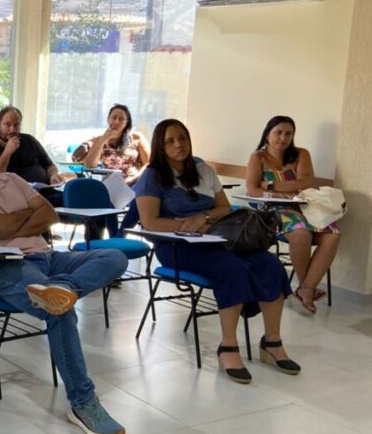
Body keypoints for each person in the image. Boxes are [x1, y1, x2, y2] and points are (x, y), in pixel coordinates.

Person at [0, 129, 129, 434]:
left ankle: (65, 288)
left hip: (48, 258)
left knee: (114, 257)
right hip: (0, 268)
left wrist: (10, 226)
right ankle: (83, 402)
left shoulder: (12, 180)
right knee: (59, 311)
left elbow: (49, 215)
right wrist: (26, 217)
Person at [136, 119, 298, 383]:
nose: (178, 145)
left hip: (216, 238)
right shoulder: (152, 176)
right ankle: (228, 347)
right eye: (170, 141)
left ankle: (272, 342)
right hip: (176, 246)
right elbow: (150, 223)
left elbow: (224, 207)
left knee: (270, 264)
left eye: (182, 138)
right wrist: (189, 227)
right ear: (160, 146)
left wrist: (203, 219)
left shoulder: (203, 170)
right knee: (231, 268)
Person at [245, 115, 340, 314]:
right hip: (274, 210)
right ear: (268, 134)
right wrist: (279, 193)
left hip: (307, 207)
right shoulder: (258, 157)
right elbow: (252, 190)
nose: (283, 138)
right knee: (301, 234)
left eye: (288, 133)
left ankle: (305, 288)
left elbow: (306, 183)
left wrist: (270, 185)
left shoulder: (301, 154)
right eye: (278, 133)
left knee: (332, 235)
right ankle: (308, 289)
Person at [0, 106, 66, 206]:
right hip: (17, 198)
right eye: (7, 124)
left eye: (16, 125)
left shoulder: (29, 140)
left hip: (44, 191)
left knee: (75, 198)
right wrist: (7, 152)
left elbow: (49, 165)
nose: (12, 129)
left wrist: (53, 175)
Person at [72, 103, 150, 184]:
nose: (116, 121)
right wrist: (103, 139)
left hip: (135, 182)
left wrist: (136, 178)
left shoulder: (137, 138)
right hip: (110, 184)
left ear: (126, 122)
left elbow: (149, 164)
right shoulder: (99, 139)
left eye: (121, 119)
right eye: (114, 117)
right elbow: (89, 165)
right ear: (108, 119)